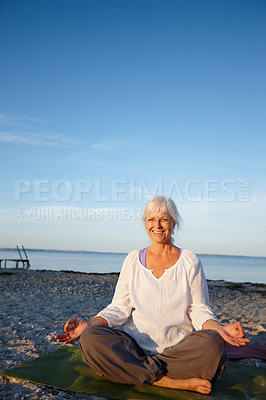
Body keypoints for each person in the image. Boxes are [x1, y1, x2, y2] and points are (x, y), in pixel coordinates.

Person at [55, 196, 249, 395]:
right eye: (151, 219)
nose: (157, 225)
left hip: (178, 352)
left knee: (213, 344)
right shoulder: (133, 260)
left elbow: (199, 309)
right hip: (134, 348)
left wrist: (219, 328)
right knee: (90, 338)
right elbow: (118, 307)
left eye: (164, 219)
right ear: (145, 223)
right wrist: (91, 324)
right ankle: (167, 381)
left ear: (173, 222)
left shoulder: (190, 261)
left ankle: (136, 372)